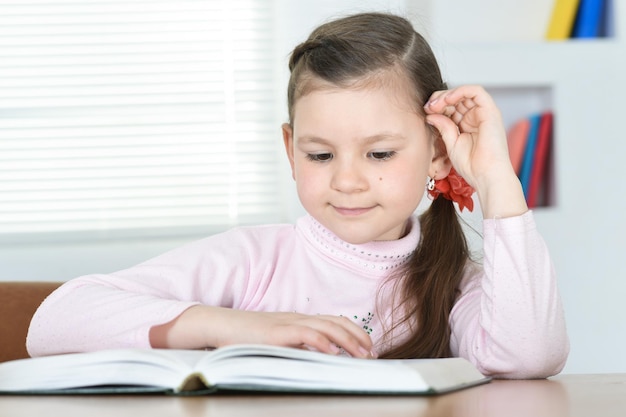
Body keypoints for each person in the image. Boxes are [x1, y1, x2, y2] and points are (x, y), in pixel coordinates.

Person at [26, 12, 569, 378]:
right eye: (320, 154)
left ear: (437, 152)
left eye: (379, 154)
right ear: (290, 149)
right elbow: (55, 322)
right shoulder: (251, 259)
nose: (347, 181)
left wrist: (498, 179)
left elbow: (530, 356)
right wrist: (244, 326)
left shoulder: (458, 284)